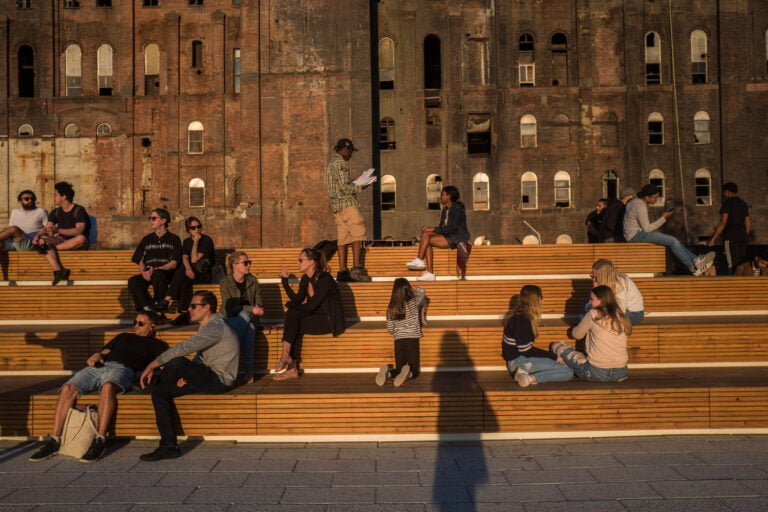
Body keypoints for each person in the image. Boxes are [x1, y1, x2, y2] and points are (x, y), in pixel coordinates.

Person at [28, 311, 167, 463]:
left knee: (108, 387)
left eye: (141, 323)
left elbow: (164, 364)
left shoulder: (158, 345)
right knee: (67, 389)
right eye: (135, 322)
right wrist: (96, 356)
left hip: (123, 369)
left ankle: (100, 439)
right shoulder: (123, 336)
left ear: (152, 326)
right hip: (101, 366)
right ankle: (55, 440)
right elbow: (104, 352)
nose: (136, 326)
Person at [138, 290, 239, 461]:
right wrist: (189, 374)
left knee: (177, 361)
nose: (189, 309)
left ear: (207, 307)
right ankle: (169, 446)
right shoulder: (207, 325)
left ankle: (154, 382)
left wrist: (152, 365)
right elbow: (201, 357)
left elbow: (185, 347)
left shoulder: (216, 326)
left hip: (219, 380)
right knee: (160, 392)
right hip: (207, 375)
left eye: (193, 306)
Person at [274, 247, 346, 380]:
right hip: (315, 317)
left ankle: (287, 359)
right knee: (293, 321)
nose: (298, 263)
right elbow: (297, 300)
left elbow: (312, 305)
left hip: (329, 320)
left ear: (311, 262)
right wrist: (285, 282)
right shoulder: (306, 279)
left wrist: (292, 307)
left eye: (301, 260)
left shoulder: (325, 279)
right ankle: (289, 364)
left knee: (293, 317)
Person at [623, 184, 714, 276]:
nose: (656, 200)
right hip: (635, 235)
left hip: (633, 233)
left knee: (672, 240)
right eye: (654, 198)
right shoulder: (640, 206)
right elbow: (647, 229)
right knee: (672, 240)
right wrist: (663, 218)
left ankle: (694, 262)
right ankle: (692, 264)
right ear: (646, 197)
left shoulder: (634, 201)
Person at [551, 285, 631, 382]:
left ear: (601, 300)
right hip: (621, 372)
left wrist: (584, 318)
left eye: (592, 299)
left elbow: (576, 335)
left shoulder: (593, 313)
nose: (589, 302)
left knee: (556, 346)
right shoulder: (621, 315)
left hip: (597, 372)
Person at [501, 285, 573, 388]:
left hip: (519, 360)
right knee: (567, 372)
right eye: (541, 298)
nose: (542, 301)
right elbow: (526, 350)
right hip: (519, 361)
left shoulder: (521, 317)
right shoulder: (522, 321)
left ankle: (525, 374)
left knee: (561, 366)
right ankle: (530, 378)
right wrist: (553, 356)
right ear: (536, 300)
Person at [325, 138, 374, 283]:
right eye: (351, 151)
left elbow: (340, 185)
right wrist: (362, 186)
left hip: (337, 206)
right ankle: (357, 269)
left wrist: (353, 181)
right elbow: (345, 188)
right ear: (345, 149)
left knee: (343, 237)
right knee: (358, 233)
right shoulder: (341, 164)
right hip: (347, 204)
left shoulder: (332, 163)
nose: (351, 154)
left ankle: (342, 271)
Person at [405, 185, 471, 281]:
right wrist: (429, 230)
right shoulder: (445, 210)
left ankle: (420, 261)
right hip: (449, 235)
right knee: (425, 236)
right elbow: (441, 228)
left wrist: (431, 229)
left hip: (457, 237)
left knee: (427, 235)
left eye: (442, 195)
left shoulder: (458, 209)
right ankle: (429, 272)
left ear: (449, 196)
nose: (440, 197)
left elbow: (452, 228)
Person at [160, 216, 216, 325]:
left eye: (199, 227)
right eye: (193, 228)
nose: (197, 230)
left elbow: (194, 259)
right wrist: (188, 269)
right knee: (185, 279)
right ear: (188, 230)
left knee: (182, 272)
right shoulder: (186, 242)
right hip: (191, 273)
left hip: (204, 274)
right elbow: (184, 257)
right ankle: (184, 313)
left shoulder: (206, 240)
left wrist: (195, 241)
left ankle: (166, 300)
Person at [32, 181, 90, 285]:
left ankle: (47, 248)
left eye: (56, 195)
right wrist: (37, 236)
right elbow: (47, 228)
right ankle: (58, 270)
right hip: (62, 240)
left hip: (77, 242)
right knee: (43, 239)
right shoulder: (56, 212)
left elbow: (79, 230)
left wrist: (58, 230)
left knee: (81, 238)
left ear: (63, 196)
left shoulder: (79, 210)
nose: (54, 197)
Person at [220, 251, 265, 383]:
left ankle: (229, 360)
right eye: (245, 263)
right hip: (230, 318)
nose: (248, 265)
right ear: (235, 265)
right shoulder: (225, 282)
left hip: (250, 317)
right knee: (248, 320)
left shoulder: (252, 280)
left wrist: (258, 308)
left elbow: (259, 301)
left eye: (249, 262)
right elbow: (229, 307)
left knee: (248, 321)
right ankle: (249, 371)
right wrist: (252, 309)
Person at [127, 208, 182, 313]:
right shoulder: (146, 240)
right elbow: (141, 261)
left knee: (158, 274)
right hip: (150, 272)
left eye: (154, 218)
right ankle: (146, 307)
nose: (151, 221)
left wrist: (157, 268)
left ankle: (160, 308)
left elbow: (174, 263)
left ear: (163, 220)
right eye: (150, 218)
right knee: (134, 281)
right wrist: (143, 272)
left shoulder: (174, 239)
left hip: (167, 273)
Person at [376, 278, 427, 387]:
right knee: (414, 370)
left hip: (399, 341)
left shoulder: (390, 308)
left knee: (399, 368)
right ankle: (409, 374)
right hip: (412, 339)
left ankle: (388, 373)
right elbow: (422, 292)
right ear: (407, 290)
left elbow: (390, 328)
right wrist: (412, 289)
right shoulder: (413, 303)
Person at [707, 182, 750, 274]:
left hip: (731, 237)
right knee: (739, 264)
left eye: (724, 193)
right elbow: (747, 222)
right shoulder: (743, 204)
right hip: (742, 237)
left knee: (731, 264)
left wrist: (712, 239)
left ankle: (732, 285)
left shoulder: (727, 203)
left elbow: (723, 222)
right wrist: (745, 235)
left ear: (727, 192)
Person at [589, 259, 644, 325]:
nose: (593, 280)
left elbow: (620, 311)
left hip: (632, 313)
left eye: (596, 278)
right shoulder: (602, 283)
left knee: (599, 318)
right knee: (585, 306)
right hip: (613, 309)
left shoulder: (619, 284)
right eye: (592, 276)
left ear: (604, 277)